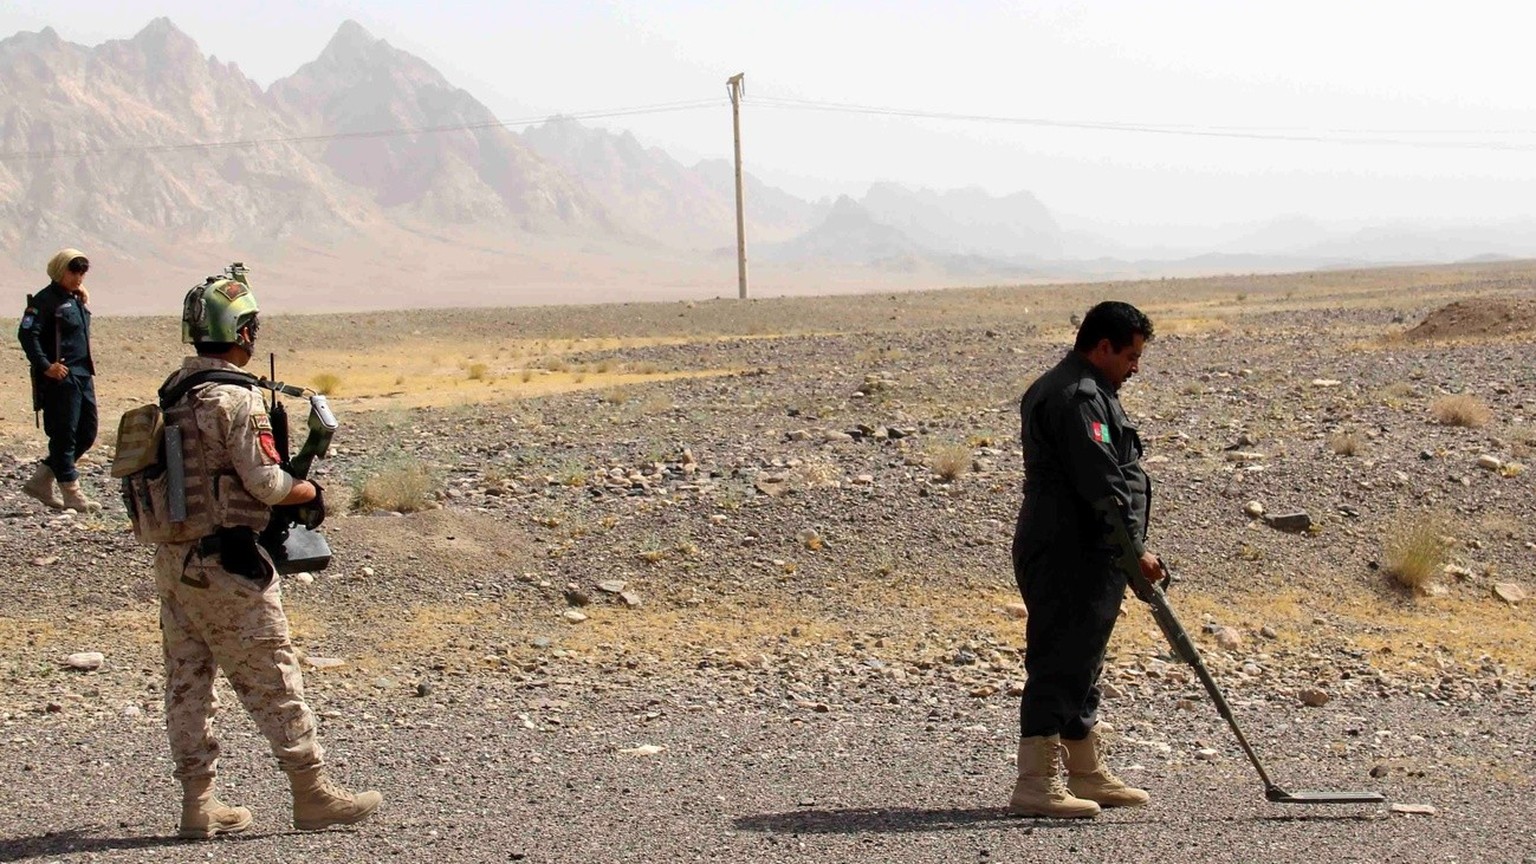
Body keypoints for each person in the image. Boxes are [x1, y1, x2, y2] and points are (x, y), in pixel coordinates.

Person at [153, 266, 381, 838]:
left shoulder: (175, 395)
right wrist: (308, 491)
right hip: (228, 564)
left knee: (188, 680)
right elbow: (266, 484)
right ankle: (312, 794)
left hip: (176, 561)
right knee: (273, 676)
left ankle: (196, 807)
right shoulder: (235, 399)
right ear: (243, 332)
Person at [1008, 300, 1161, 818]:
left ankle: (1085, 771)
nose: (1134, 367)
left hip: (1088, 549)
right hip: (1067, 549)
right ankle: (1035, 783)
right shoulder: (1075, 397)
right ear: (1102, 347)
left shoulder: (1090, 391)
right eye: (1130, 356)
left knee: (1084, 658)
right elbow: (1104, 486)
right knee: (1059, 658)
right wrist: (1136, 553)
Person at [17, 248, 100, 512]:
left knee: (87, 432)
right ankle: (72, 493)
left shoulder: (75, 297)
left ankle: (41, 480)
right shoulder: (44, 301)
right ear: (59, 271)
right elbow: (27, 334)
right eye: (73, 271)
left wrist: (82, 298)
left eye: (82, 272)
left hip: (83, 375)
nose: (79, 277)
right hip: (61, 380)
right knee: (64, 436)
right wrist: (45, 366)